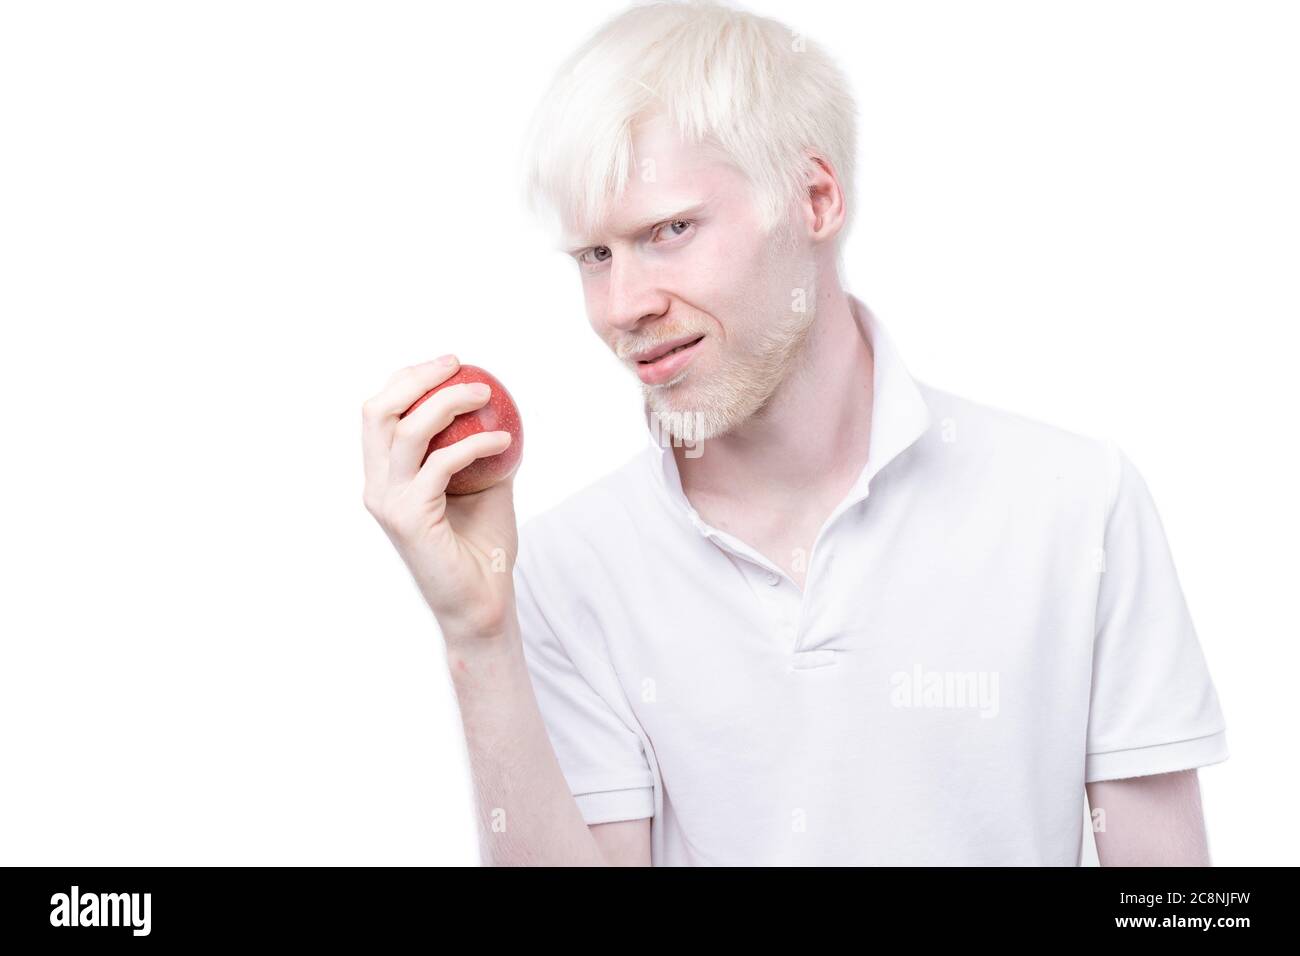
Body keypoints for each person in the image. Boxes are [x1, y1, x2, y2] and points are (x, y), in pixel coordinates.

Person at [361, 0, 1228, 866]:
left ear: (816, 199)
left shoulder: (1077, 503)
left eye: (670, 230)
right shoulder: (564, 566)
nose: (623, 307)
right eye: (596, 256)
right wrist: (480, 637)